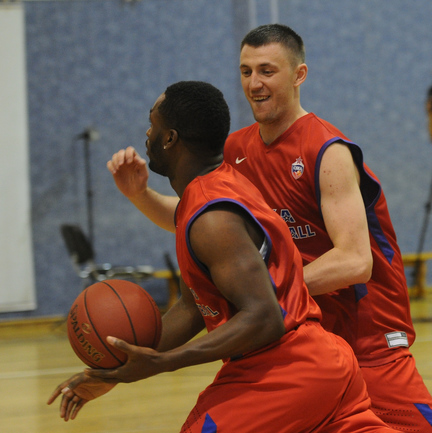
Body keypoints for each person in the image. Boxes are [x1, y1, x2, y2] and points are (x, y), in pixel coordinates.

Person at [103, 26, 432, 431]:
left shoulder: (326, 151)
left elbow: (354, 261)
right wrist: (139, 195)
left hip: (368, 338)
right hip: (299, 341)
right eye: (246, 71)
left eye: (267, 71)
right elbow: (199, 220)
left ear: (299, 75)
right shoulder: (236, 150)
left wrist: (262, 292)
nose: (254, 83)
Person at [47, 81, 399, 432]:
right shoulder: (211, 191)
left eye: (152, 124)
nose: (147, 134)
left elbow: (263, 317)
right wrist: (116, 370)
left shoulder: (212, 218)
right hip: (318, 364)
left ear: (170, 138)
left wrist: (165, 362)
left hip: (286, 369)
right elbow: (193, 307)